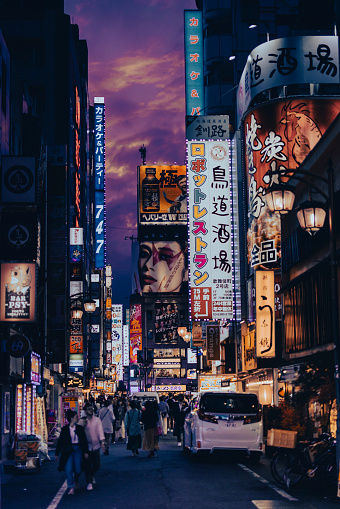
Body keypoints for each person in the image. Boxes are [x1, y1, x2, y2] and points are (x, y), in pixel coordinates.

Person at [55, 409, 88, 495]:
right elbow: (60, 442)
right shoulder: (65, 429)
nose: (78, 418)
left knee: (78, 468)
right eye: (76, 417)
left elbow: (84, 440)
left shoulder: (79, 429)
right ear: (72, 418)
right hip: (68, 450)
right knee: (68, 469)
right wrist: (57, 453)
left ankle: (76, 480)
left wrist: (85, 451)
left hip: (78, 449)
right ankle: (71, 487)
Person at [79, 402, 105, 491]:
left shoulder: (97, 420)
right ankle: (89, 482)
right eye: (89, 409)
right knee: (87, 465)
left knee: (97, 464)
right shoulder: (83, 420)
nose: (91, 410)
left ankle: (92, 474)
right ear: (85, 411)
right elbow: (79, 431)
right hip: (86, 446)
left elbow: (100, 430)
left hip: (96, 445)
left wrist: (102, 442)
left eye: (92, 409)